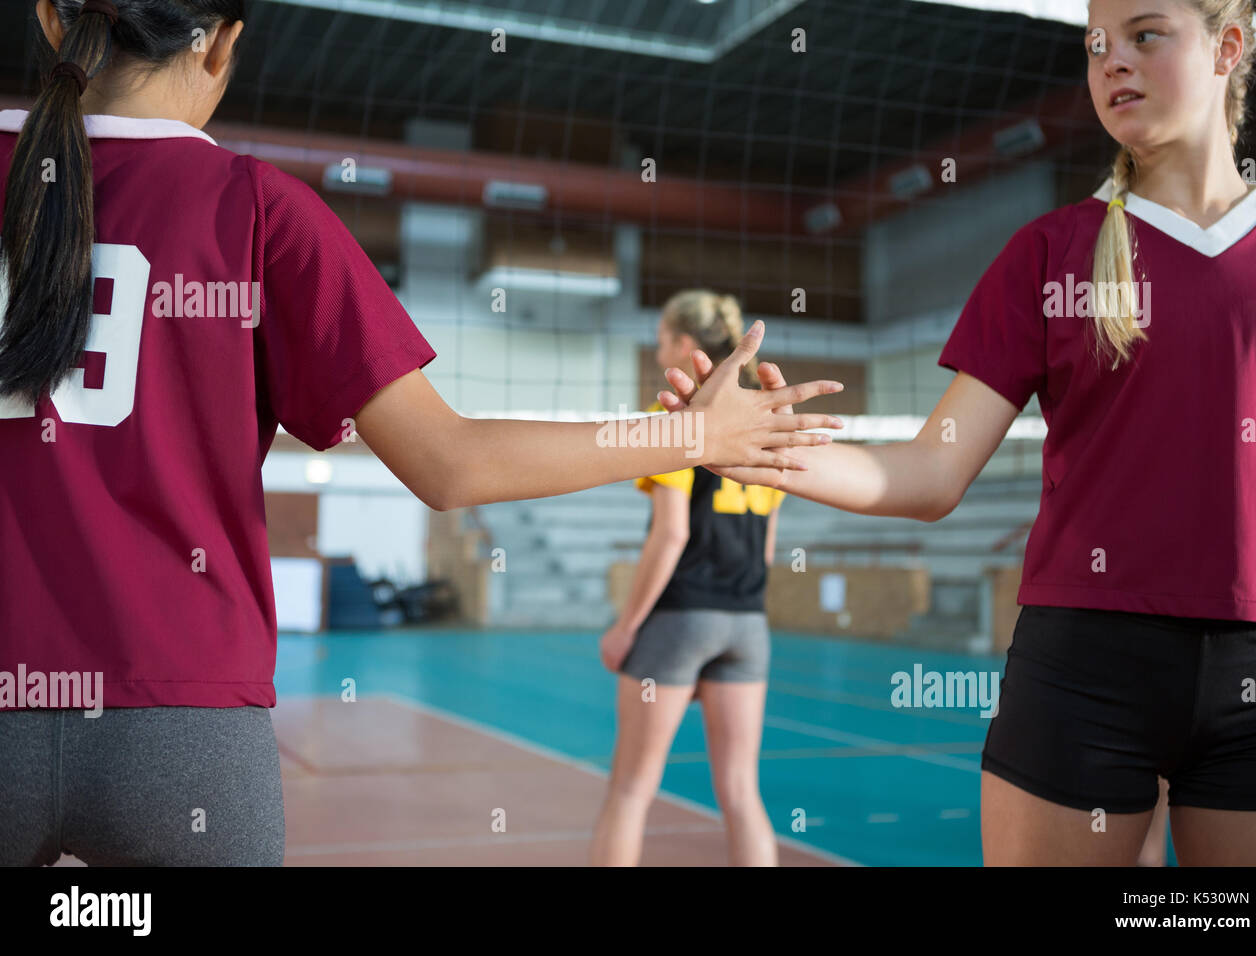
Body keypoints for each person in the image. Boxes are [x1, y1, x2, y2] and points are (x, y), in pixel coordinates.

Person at [0, 0, 844, 866]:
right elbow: (451, 464)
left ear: (51, 22)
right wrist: (689, 437)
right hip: (182, 727)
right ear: (221, 44)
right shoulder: (257, 209)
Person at [659, 0, 1256, 865]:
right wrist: (757, 446)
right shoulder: (1050, 255)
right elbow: (928, 474)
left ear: (1227, 48)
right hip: (1083, 666)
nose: (1113, 62)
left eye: (1146, 35)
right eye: (1097, 45)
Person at [591, 291, 785, 866]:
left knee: (629, 791)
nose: (656, 353)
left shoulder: (675, 417)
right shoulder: (760, 422)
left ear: (683, 344)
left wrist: (627, 627)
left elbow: (672, 535)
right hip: (748, 621)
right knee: (742, 792)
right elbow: (768, 546)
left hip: (680, 616)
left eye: (659, 340)